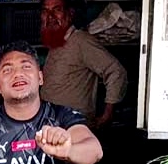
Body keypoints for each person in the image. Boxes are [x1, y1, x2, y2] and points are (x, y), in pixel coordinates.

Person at [40, 0, 127, 130]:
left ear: (70, 14)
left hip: (74, 128)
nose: (50, 16)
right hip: (53, 127)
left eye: (57, 10)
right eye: (45, 11)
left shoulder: (81, 41)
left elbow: (116, 71)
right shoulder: (56, 42)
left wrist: (107, 113)